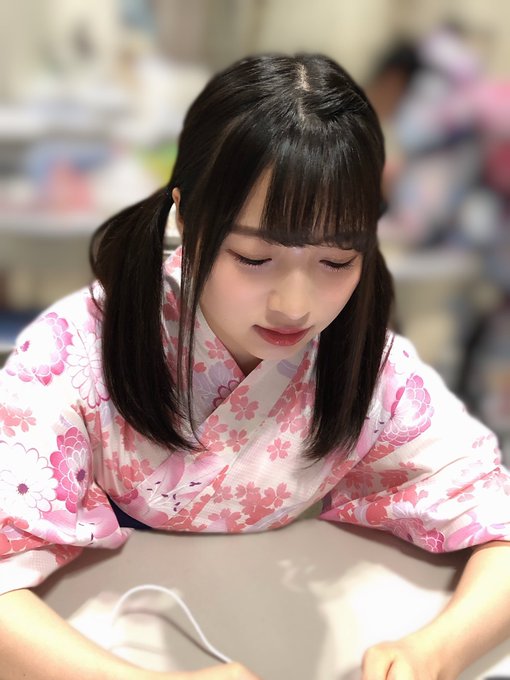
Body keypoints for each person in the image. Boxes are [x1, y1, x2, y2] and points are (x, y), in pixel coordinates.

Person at [0, 53, 509, 680]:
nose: (295, 306)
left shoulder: (367, 364)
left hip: (283, 626)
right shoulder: (76, 350)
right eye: (253, 258)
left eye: (336, 262)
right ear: (186, 215)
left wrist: (432, 652)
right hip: (101, 633)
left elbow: (497, 521)